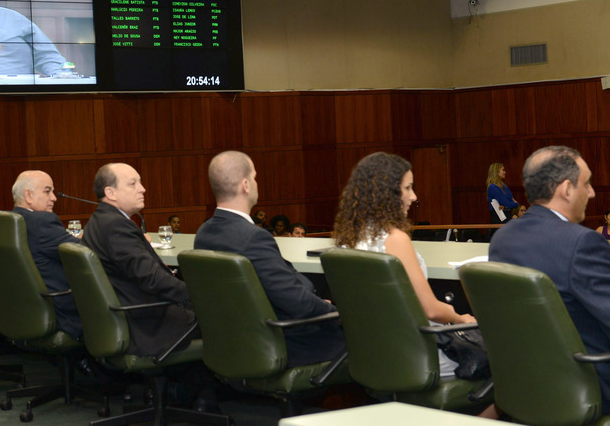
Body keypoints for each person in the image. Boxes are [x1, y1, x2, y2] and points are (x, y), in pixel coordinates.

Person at [194, 151, 345, 367]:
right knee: (368, 338)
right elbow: (296, 301)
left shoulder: (204, 233)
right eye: (255, 177)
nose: (256, 183)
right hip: (285, 341)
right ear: (246, 185)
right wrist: (336, 313)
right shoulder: (252, 237)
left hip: (238, 341)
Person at [490, 146, 610, 414]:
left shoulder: (503, 238)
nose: (592, 192)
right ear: (566, 189)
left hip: (525, 382)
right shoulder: (582, 243)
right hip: (588, 383)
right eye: (587, 184)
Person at [333, 153, 476, 377]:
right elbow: (430, 310)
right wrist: (462, 319)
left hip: (373, 354)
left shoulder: (350, 239)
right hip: (419, 354)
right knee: (502, 361)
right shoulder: (395, 239)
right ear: (387, 193)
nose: (414, 196)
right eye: (408, 188)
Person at [82, 163, 197, 357]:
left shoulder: (100, 220)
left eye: (140, 183)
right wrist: (196, 297)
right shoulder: (116, 226)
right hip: (147, 325)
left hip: (126, 316)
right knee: (225, 318)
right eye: (132, 184)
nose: (142, 189)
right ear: (111, 193)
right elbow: (151, 279)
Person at [11, 170, 82, 339]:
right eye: (47, 191)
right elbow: (84, 254)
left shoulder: (10, 220)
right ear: (28, 195)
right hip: (63, 311)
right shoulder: (41, 221)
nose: (54, 198)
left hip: (25, 309)